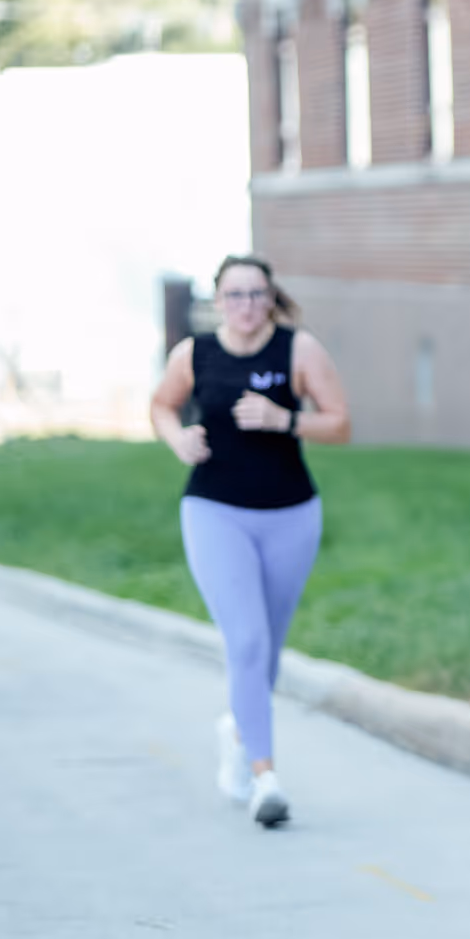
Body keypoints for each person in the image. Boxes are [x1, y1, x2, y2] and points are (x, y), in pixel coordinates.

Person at [150, 254, 350, 828]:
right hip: (213, 510)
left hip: (291, 514)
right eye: (234, 295)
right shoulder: (195, 354)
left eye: (256, 294)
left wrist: (283, 419)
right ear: (217, 301)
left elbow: (341, 423)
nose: (245, 305)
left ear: (270, 297)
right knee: (247, 642)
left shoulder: (299, 350)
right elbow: (161, 404)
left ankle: (237, 729)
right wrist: (176, 438)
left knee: (268, 648)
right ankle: (266, 778)